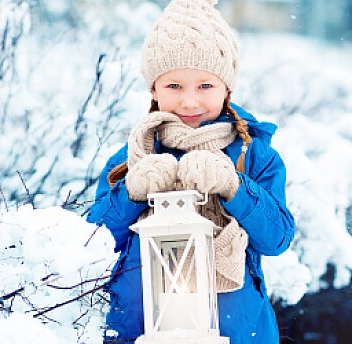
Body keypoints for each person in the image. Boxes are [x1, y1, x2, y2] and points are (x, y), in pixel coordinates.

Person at [86, 0, 296, 343]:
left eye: (205, 86)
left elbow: (276, 240)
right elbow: (91, 244)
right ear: (153, 89)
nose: (189, 101)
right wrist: (130, 192)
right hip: (137, 331)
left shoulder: (254, 154)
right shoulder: (131, 156)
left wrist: (235, 187)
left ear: (227, 88)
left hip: (238, 332)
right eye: (173, 86)